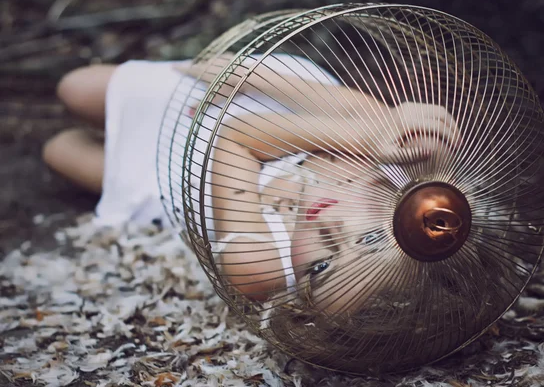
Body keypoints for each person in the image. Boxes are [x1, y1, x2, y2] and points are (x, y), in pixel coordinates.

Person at [43, 52, 460, 314]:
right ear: (411, 218)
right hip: (250, 102)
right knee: (75, 87)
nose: (334, 234)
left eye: (320, 267)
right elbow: (281, 87)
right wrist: (223, 71)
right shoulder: (402, 166)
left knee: (58, 150)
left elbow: (234, 139)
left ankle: (110, 147)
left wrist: (362, 137)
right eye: (370, 240)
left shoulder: (259, 267)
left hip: (177, 170)